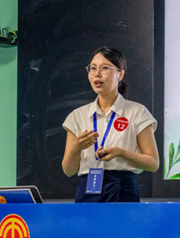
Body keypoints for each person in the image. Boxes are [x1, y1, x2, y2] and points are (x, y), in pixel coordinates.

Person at [62, 47, 159, 202]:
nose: (97, 74)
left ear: (120, 75)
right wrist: (77, 148)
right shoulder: (77, 116)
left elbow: (153, 164)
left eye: (105, 68)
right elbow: (68, 170)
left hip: (123, 189)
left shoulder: (137, 112)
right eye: (92, 68)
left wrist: (121, 153)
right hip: (88, 191)